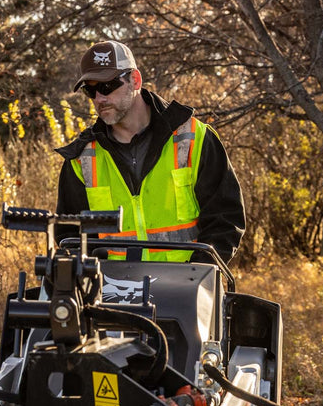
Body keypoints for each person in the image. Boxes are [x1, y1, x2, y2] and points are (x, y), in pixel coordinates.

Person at [55, 40, 245, 263]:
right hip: (112, 292)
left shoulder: (195, 138)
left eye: (107, 86)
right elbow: (70, 236)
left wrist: (197, 274)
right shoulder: (81, 159)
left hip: (188, 287)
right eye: (91, 90)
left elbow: (225, 220)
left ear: (135, 80)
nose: (99, 99)